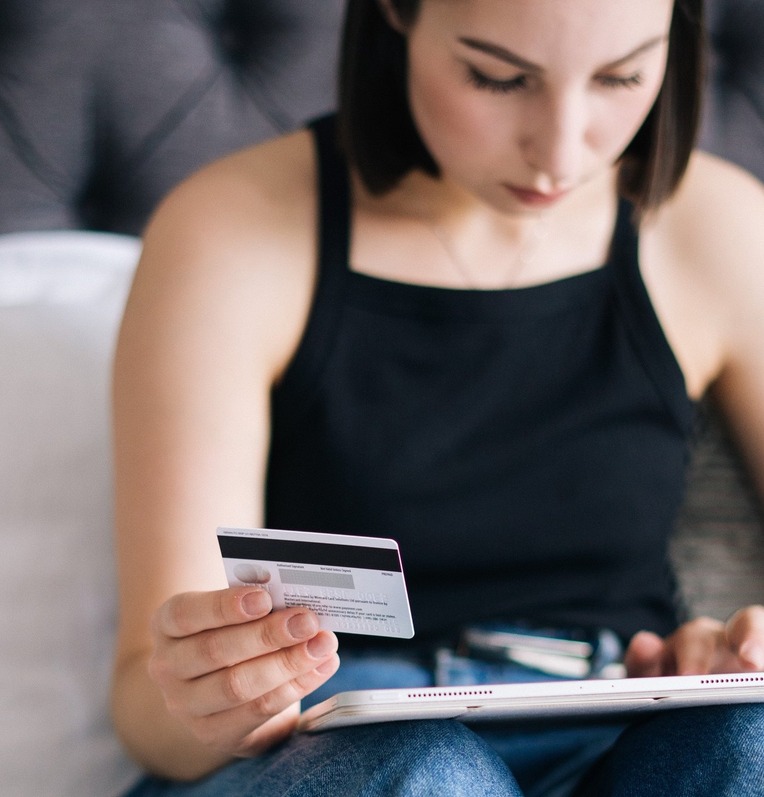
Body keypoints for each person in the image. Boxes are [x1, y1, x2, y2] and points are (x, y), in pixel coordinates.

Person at [111, 0, 764, 794]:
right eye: (497, 77)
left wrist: (734, 652)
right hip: (334, 741)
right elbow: (151, 711)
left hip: (614, 719)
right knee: (427, 772)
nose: (560, 151)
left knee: (747, 745)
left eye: (623, 75)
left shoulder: (717, 227)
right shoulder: (233, 229)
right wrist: (213, 694)